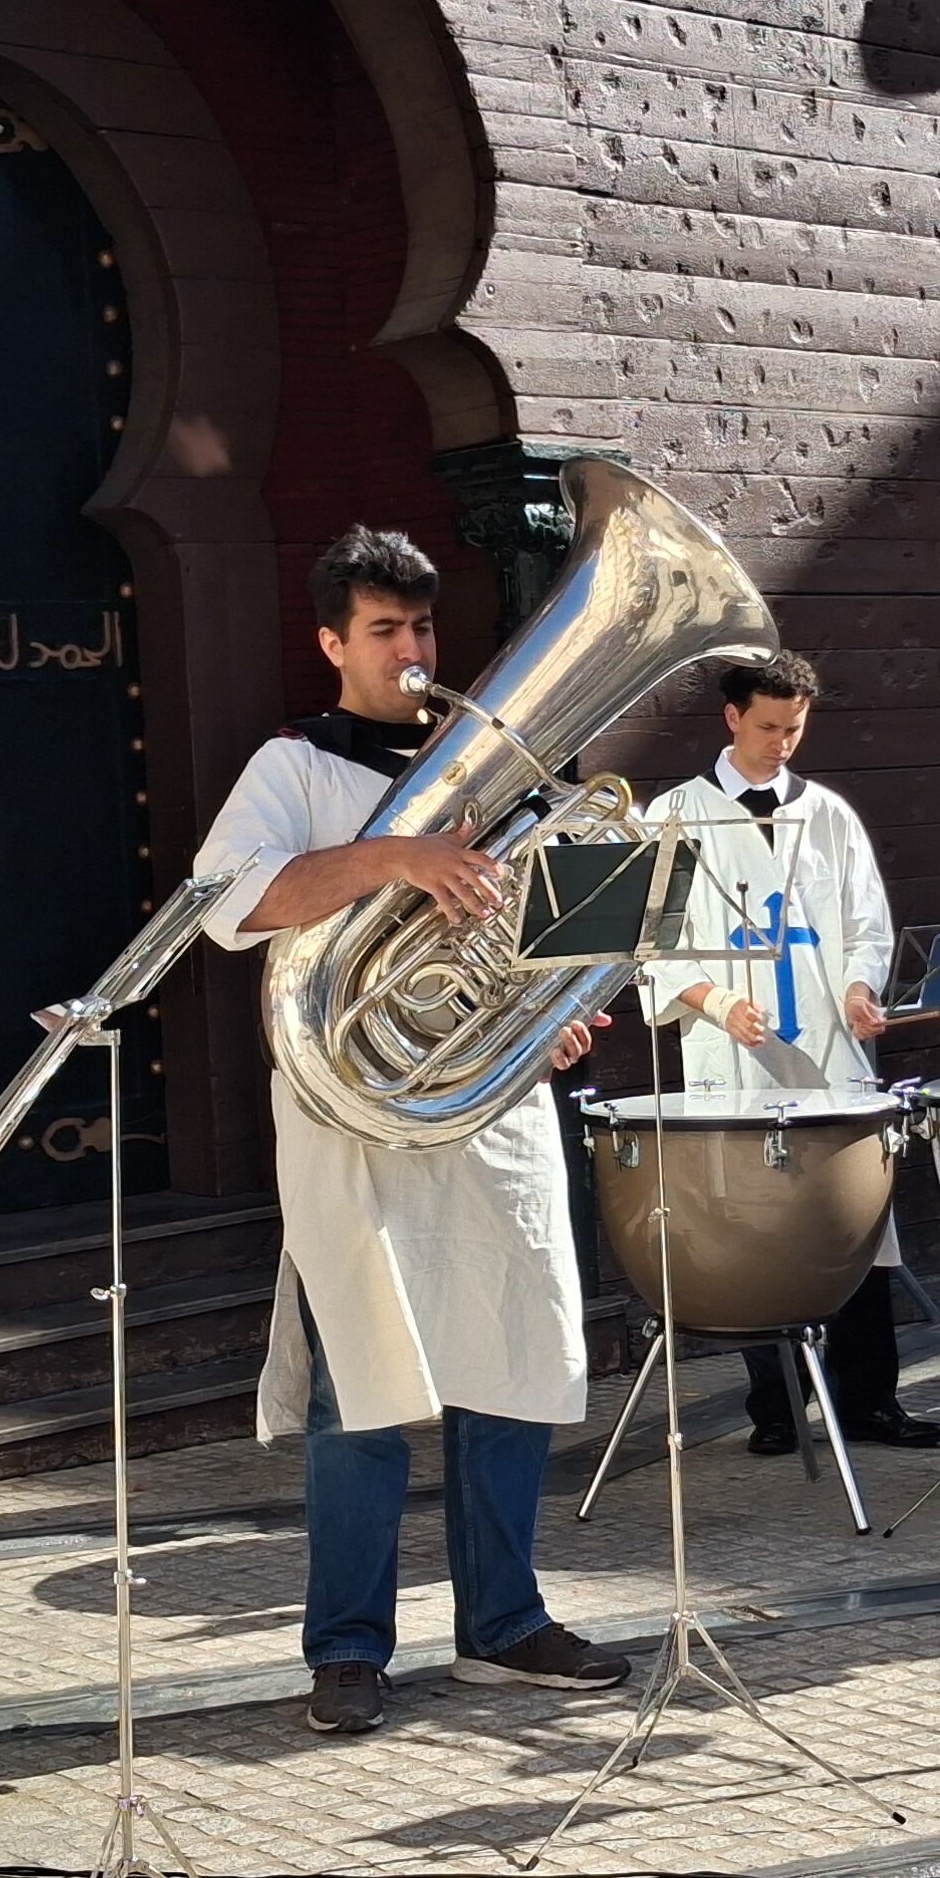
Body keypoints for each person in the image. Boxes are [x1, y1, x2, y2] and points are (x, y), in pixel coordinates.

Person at [196, 527, 631, 1738]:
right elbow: (232, 901)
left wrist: (558, 1016)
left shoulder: (505, 770)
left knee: (506, 1370)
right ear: (334, 642)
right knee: (365, 1399)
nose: (412, 652)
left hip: (483, 1114)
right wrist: (400, 855)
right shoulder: (294, 765)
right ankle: (346, 1648)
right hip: (357, 1133)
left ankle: (505, 1626)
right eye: (385, 632)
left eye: (425, 631)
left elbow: (573, 937)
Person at [645, 652, 940, 1459]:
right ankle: (775, 1407)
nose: (783, 743)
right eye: (770, 726)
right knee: (757, 1227)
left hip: (828, 1044)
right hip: (733, 1052)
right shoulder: (674, 815)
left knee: (854, 1224)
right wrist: (711, 1000)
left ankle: (870, 1400)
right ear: (733, 717)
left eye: (796, 728)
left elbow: (865, 920)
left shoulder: (830, 814)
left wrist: (857, 988)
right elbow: (651, 939)